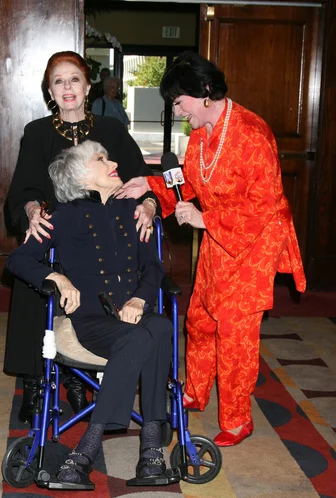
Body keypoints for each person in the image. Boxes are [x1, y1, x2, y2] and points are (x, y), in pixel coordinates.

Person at [119, 52, 306, 447]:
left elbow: (265, 207)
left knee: (235, 334)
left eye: (178, 101)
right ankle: (196, 391)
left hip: (253, 245)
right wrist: (149, 186)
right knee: (200, 319)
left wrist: (206, 220)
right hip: (219, 243)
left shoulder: (252, 134)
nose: (176, 109)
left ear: (204, 92)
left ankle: (238, 419)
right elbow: (189, 183)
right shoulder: (202, 134)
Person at [6, 141, 179, 490]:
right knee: (147, 336)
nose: (113, 162)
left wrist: (140, 300)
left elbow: (154, 267)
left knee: (160, 326)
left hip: (135, 317)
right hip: (92, 321)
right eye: (103, 159)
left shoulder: (132, 211)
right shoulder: (62, 217)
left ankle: (108, 453)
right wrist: (56, 276)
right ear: (82, 174)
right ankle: (129, 452)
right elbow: (18, 260)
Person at [4, 51, 157, 423]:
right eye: (59, 81)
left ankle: (79, 381)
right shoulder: (37, 132)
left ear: (87, 87)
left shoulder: (111, 130)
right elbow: (22, 189)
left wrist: (150, 204)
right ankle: (36, 379)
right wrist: (31, 211)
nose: (67, 87)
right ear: (50, 92)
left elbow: (140, 178)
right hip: (59, 227)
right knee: (33, 271)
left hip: (105, 231)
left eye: (74, 79)